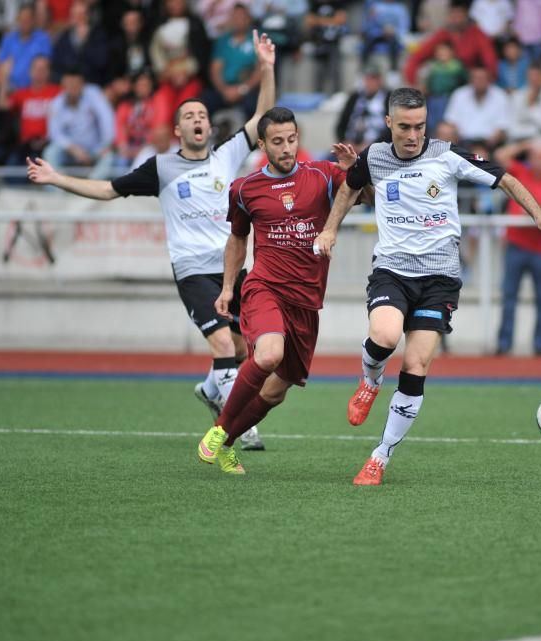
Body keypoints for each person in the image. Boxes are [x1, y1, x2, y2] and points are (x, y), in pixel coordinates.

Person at [27, 31, 277, 452]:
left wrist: (267, 67)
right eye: (190, 116)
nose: (198, 119)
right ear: (179, 130)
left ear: (208, 126)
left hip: (233, 269)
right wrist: (56, 178)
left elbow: (263, 116)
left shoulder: (227, 156)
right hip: (193, 271)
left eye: (202, 114)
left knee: (240, 346)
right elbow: (108, 188)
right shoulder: (160, 168)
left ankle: (211, 389)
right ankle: (239, 425)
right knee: (221, 342)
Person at [312, 87, 541, 486]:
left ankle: (380, 457)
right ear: (389, 124)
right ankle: (370, 380)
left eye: (420, 126)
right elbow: (349, 188)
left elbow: (506, 179)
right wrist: (329, 230)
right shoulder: (374, 156)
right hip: (393, 270)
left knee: (416, 365)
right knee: (384, 334)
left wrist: (539, 215)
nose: (413, 135)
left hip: (440, 278)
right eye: (405, 127)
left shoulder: (447, 154)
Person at [195, 108, 358, 474]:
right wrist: (226, 288)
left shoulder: (323, 174)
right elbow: (237, 240)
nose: (286, 148)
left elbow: (368, 195)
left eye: (292, 139)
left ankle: (227, 443)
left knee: (274, 392)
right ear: (264, 144)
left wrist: (355, 170)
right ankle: (219, 431)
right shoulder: (245, 188)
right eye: (277, 141)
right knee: (268, 355)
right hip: (264, 287)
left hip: (306, 302)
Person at [492, 138, 541, 356]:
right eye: (536, 157)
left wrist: (531, 210)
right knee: (509, 297)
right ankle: (504, 345)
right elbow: (500, 156)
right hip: (516, 245)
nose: (540, 162)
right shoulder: (520, 173)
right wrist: (525, 144)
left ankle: (540, 348)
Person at [403, 3, 498, 88]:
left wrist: (487, 80)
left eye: (459, 14)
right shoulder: (442, 35)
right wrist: (414, 84)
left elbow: (490, 60)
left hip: (471, 85)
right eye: (453, 14)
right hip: (444, 87)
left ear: (466, 15)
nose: (456, 18)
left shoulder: (477, 34)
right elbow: (417, 57)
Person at [43, 69, 116, 179]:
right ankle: (58, 191)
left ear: (83, 85)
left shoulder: (94, 94)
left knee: (109, 157)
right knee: (50, 152)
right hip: (70, 151)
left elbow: (107, 120)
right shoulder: (56, 103)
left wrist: (106, 144)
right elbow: (55, 134)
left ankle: (92, 189)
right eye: (69, 85)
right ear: (63, 85)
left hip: (95, 149)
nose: (72, 89)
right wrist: (73, 149)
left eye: (75, 85)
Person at [444, 66, 511, 147]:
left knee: (480, 154)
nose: (479, 81)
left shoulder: (500, 95)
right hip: (463, 141)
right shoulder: (459, 94)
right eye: (476, 78)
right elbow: (451, 121)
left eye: (482, 78)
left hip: (489, 142)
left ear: (489, 80)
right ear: (470, 80)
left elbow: (503, 125)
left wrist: (490, 142)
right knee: (444, 130)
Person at [0, 4, 53, 92]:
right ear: (17, 20)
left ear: (34, 20)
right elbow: (1, 66)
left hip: (35, 88)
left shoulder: (43, 39)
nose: (25, 22)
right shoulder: (8, 39)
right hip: (11, 88)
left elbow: (45, 65)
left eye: (28, 19)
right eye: (22, 19)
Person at [335, 66, 390, 153]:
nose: (369, 82)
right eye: (367, 78)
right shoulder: (355, 97)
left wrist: (373, 145)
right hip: (350, 147)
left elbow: (391, 128)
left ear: (380, 80)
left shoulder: (388, 98)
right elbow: (341, 125)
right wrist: (345, 141)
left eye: (373, 79)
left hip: (377, 149)